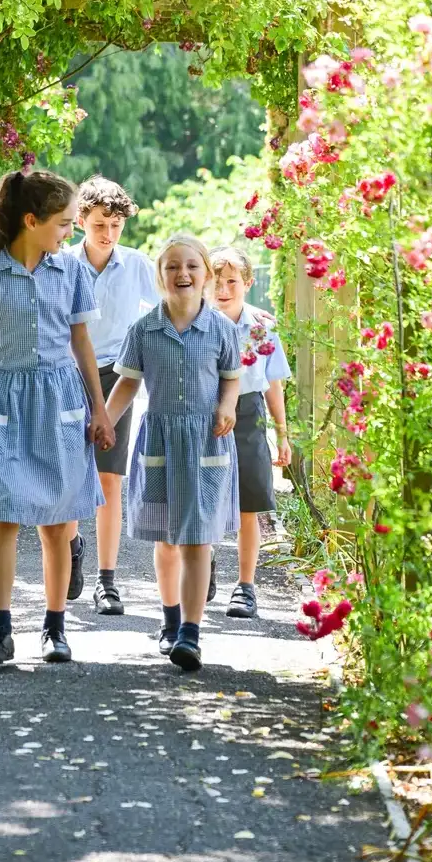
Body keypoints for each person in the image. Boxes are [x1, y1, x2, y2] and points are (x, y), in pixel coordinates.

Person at [0, 170, 115, 667]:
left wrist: (100, 408)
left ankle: (54, 627)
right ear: (31, 220)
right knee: (3, 516)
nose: (70, 233)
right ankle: (0, 631)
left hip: (61, 397)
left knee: (57, 521)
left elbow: (82, 342)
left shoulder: (72, 273)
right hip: (2, 400)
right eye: (64, 223)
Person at [105, 234, 241, 672]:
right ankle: (169, 620)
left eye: (191, 267)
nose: (182, 274)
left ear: (205, 274)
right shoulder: (144, 329)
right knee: (166, 539)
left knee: (199, 537)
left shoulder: (220, 327)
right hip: (161, 439)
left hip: (206, 441)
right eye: (172, 267)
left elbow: (232, 377)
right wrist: (104, 421)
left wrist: (226, 405)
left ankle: (191, 633)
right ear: (161, 276)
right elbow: (126, 382)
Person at [65, 176, 157, 616]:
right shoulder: (59, 264)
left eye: (117, 225)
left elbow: (171, 308)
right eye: (101, 222)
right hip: (68, 376)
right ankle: (71, 544)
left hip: (119, 377)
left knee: (108, 480)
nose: (108, 233)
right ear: (81, 219)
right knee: (66, 473)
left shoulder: (138, 266)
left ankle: (107, 581)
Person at [210, 244, 292, 620]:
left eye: (231, 281)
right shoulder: (200, 320)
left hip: (248, 414)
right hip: (206, 414)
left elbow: (273, 383)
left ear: (247, 283)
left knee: (249, 503)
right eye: (215, 281)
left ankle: (245, 586)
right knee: (206, 495)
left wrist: (282, 433)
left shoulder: (262, 326)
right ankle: (203, 558)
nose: (222, 289)